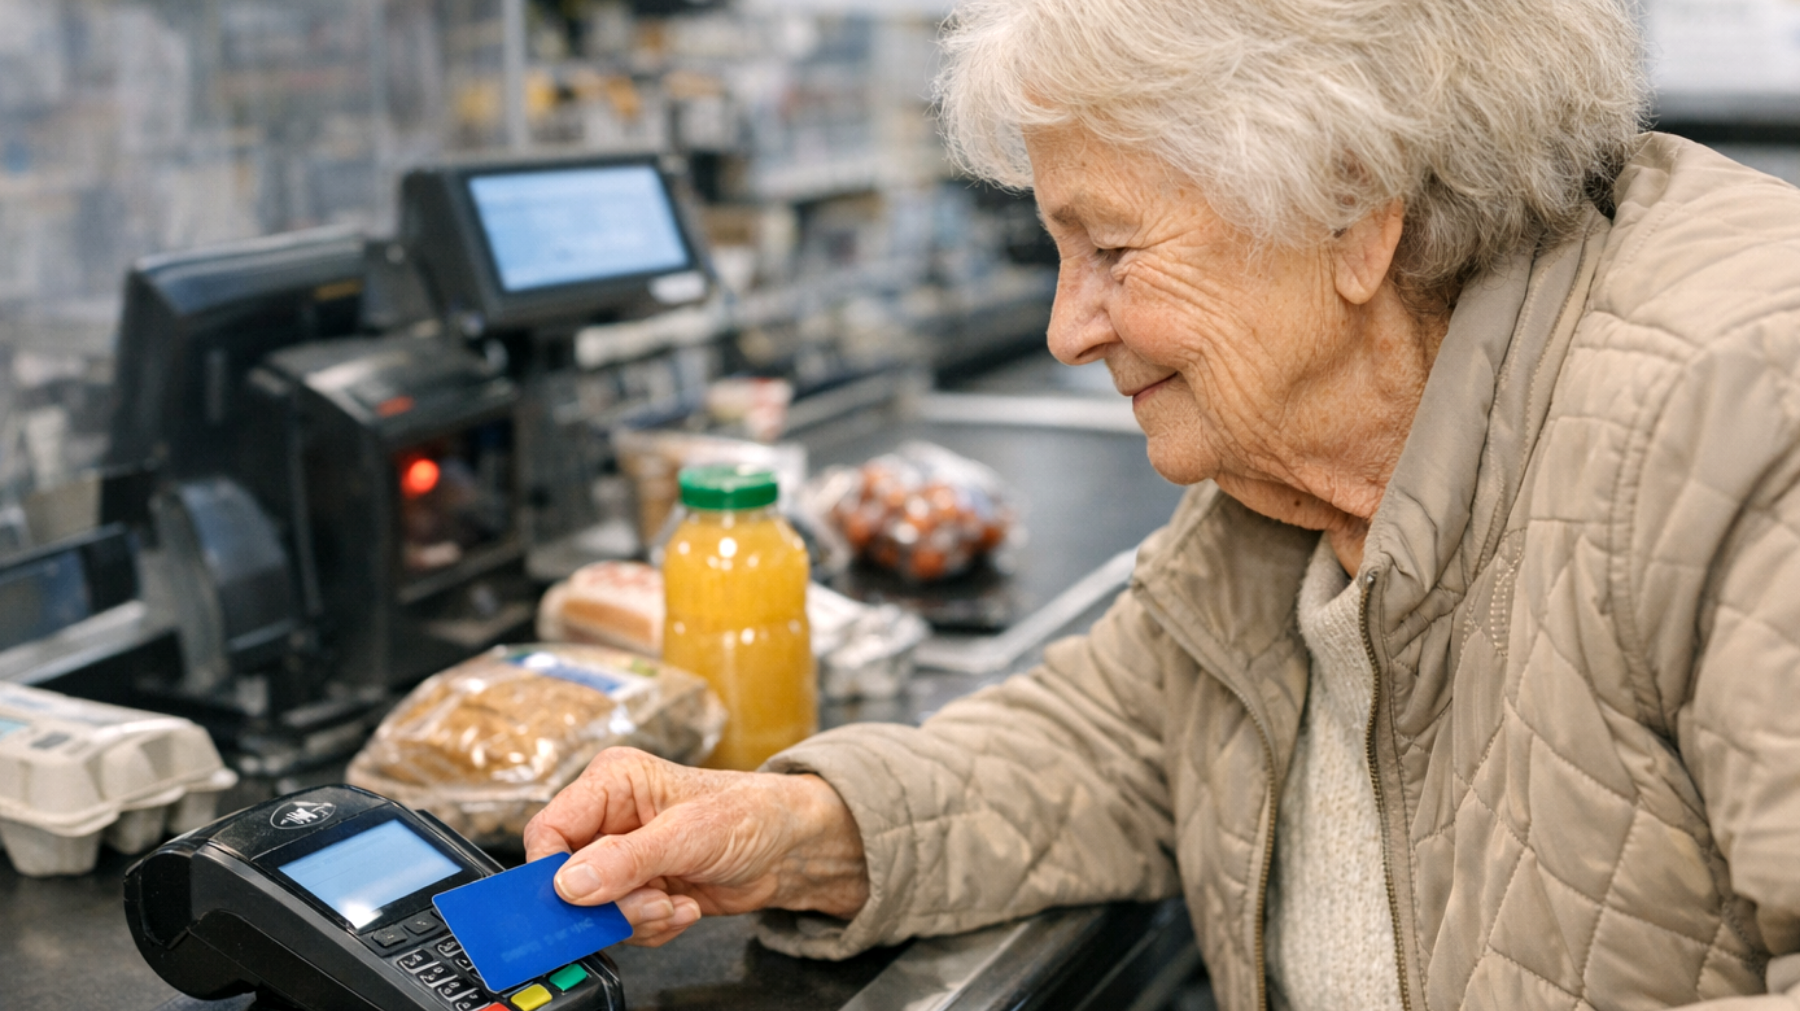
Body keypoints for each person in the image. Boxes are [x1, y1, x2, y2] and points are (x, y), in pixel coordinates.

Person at [525, 0, 1800, 1007]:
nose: (1068, 328)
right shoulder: (1297, 460)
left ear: (1353, 209)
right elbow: (1121, 746)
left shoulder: (1746, 408)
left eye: (1113, 252)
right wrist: (792, 826)